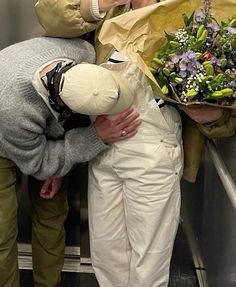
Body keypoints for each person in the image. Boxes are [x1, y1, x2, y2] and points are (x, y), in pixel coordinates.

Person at [34, 0, 236, 286]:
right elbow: (50, 15)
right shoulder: (110, 12)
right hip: (102, 147)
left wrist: (214, 116)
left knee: (149, 262)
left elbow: (223, 103)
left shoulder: (189, 13)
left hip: (153, 148)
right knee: (106, 255)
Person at [0, 36, 140, 287]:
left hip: (43, 134)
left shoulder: (82, 52)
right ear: (72, 109)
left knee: (51, 216)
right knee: (2, 232)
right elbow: (37, 164)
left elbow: (76, 116)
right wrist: (96, 137)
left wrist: (59, 166)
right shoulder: (13, 108)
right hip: (5, 138)